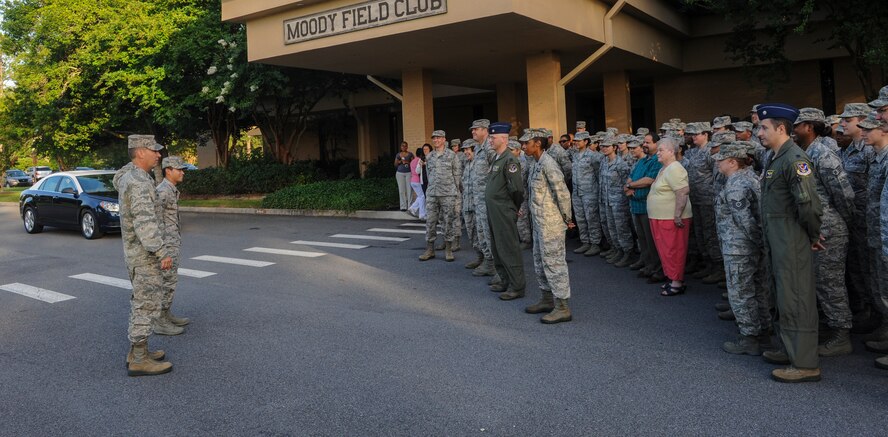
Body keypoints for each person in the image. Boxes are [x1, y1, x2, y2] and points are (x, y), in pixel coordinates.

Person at [756, 103, 823, 383]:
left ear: (780, 129)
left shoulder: (795, 159)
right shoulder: (775, 158)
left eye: (763, 127)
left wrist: (812, 234)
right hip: (778, 238)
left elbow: (808, 204)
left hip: (791, 238)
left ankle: (805, 363)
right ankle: (789, 348)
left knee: (796, 297)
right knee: (783, 294)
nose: (758, 132)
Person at [793, 108, 856, 357]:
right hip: (814, 228)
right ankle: (829, 326)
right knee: (819, 281)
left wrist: (839, 222)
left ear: (809, 127)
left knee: (830, 283)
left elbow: (844, 194)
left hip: (829, 229)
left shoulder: (823, 154)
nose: (793, 130)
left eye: (797, 126)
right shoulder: (805, 153)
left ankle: (841, 334)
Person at [113, 134, 173, 377]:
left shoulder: (130, 176)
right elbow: (144, 222)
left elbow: (119, 175)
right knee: (146, 304)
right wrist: (161, 251)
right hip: (144, 255)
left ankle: (137, 351)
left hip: (135, 254)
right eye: (154, 151)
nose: (159, 155)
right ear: (140, 153)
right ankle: (139, 359)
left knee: (141, 301)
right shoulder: (138, 182)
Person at [713, 142, 772, 355]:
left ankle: (749, 338)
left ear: (732, 162)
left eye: (721, 160)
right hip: (752, 247)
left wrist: (756, 242)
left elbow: (745, 220)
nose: (718, 163)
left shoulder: (736, 184)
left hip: (739, 247)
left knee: (741, 292)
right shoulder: (749, 178)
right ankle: (764, 332)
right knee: (759, 290)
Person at [521, 128, 575, 323]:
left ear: (537, 143)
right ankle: (546, 299)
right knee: (540, 262)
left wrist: (567, 219)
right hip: (539, 222)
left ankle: (562, 306)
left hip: (551, 224)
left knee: (554, 263)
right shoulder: (536, 163)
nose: (523, 146)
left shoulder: (549, 164)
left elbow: (562, 193)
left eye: (526, 143)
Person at [838, 103, 877, 334]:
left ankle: (879, 317)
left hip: (867, 219)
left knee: (872, 269)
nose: (843, 124)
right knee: (857, 267)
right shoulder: (846, 148)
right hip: (852, 218)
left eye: (848, 120)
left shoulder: (870, 150)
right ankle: (866, 310)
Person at [485, 122, 526, 300]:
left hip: (503, 209)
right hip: (494, 210)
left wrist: (513, 208)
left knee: (508, 248)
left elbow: (517, 189)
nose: (490, 141)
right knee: (497, 246)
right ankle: (504, 280)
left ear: (503, 138)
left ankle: (517, 286)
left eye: (493, 138)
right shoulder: (497, 157)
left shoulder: (510, 159)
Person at [647, 136, 693, 296]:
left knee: (674, 250)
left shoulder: (675, 168)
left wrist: (678, 215)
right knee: (666, 250)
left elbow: (682, 191)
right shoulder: (664, 168)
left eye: (661, 150)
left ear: (671, 151)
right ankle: (672, 278)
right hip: (660, 217)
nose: (657, 153)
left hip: (671, 218)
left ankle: (677, 282)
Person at [154, 156, 191, 336]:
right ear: (168, 170)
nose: (182, 172)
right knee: (167, 282)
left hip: (172, 243)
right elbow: (155, 220)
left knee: (171, 281)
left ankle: (166, 314)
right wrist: (162, 251)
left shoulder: (171, 189)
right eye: (179, 169)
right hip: (166, 245)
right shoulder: (163, 191)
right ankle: (160, 321)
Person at [419, 130, 462, 262]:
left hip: (448, 193)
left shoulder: (451, 155)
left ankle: (448, 249)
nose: (436, 140)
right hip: (432, 193)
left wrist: (456, 191)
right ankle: (430, 249)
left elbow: (457, 174)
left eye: (438, 138)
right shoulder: (430, 156)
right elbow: (428, 174)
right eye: (434, 138)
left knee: (448, 221)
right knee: (430, 221)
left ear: (444, 139)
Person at [625, 134, 663, 275]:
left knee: (651, 240)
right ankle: (647, 265)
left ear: (656, 144)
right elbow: (632, 175)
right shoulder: (642, 160)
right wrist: (628, 185)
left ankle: (656, 268)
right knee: (642, 239)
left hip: (648, 206)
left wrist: (630, 185)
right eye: (644, 142)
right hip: (636, 206)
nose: (645, 145)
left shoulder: (656, 160)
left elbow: (649, 180)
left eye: (648, 142)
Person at [600, 135, 634, 266]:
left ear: (614, 148)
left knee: (621, 228)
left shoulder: (621, 164)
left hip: (618, 201)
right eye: (602, 146)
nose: (604, 148)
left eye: (607, 146)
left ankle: (627, 252)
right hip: (606, 200)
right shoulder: (604, 162)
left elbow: (627, 183)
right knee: (611, 227)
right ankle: (617, 249)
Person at [470, 119, 498, 277]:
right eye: (472, 129)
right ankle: (488, 261)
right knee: (481, 232)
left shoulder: (489, 147)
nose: (473, 132)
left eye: (476, 129)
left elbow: (496, 172)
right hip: (478, 199)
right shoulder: (478, 147)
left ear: (485, 130)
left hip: (487, 199)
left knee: (488, 232)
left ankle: (494, 264)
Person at [571, 131, 603, 256]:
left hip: (589, 192)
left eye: (579, 141)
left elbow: (598, 174)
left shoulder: (593, 156)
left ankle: (595, 243)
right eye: (575, 141)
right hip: (577, 192)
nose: (576, 143)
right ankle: (585, 242)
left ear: (586, 142)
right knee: (580, 218)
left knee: (591, 218)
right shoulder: (574, 155)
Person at [460, 139, 483, 269]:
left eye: (468, 149)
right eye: (464, 150)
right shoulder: (467, 165)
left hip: (478, 206)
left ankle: (488, 261)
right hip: (468, 206)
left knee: (482, 234)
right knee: (471, 233)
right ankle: (479, 257)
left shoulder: (480, 165)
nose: (465, 152)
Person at [393, 141, 414, 211]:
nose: (404, 147)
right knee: (401, 190)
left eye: (405, 146)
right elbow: (395, 164)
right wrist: (400, 162)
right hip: (400, 173)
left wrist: (407, 162)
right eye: (402, 146)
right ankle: (403, 206)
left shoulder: (410, 154)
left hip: (408, 173)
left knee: (409, 190)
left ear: (407, 147)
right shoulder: (398, 155)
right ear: (400, 147)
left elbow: (413, 163)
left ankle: (410, 206)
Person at [407, 147, 426, 220]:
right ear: (421, 154)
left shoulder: (412, 161)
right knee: (422, 197)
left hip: (412, 181)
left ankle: (413, 208)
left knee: (420, 196)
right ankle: (422, 214)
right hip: (418, 180)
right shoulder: (419, 160)